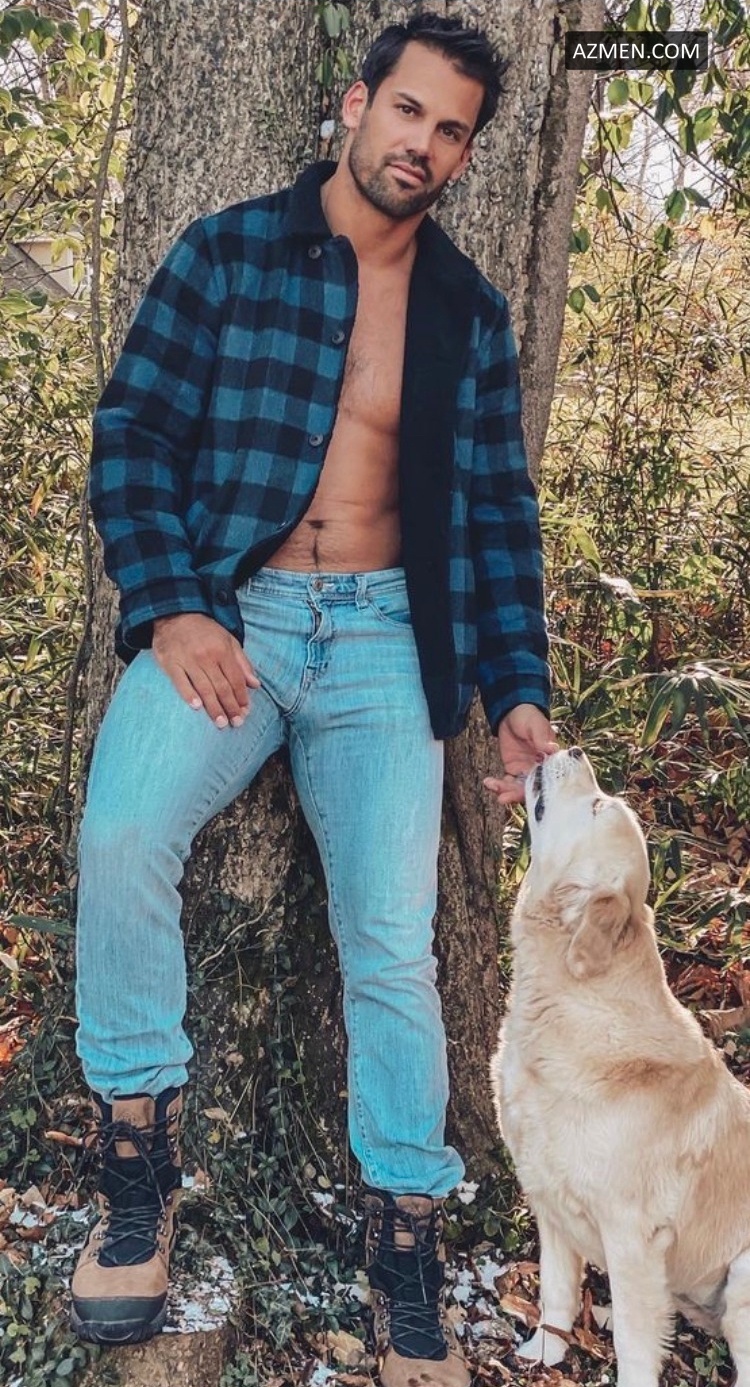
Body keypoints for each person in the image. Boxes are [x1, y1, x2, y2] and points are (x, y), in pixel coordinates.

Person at [70, 12, 557, 1385]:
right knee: (120, 836)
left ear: (465, 154)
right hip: (233, 619)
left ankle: (404, 1237)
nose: (422, 144)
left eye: (450, 130)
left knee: (392, 941)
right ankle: (135, 1168)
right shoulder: (229, 253)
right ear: (355, 104)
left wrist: (515, 691)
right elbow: (131, 436)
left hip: (388, 642)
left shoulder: (467, 314)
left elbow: (496, 518)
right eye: (407, 110)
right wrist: (175, 604)